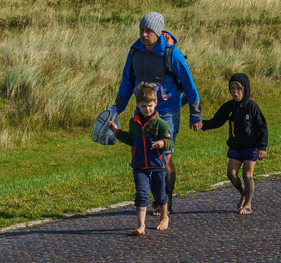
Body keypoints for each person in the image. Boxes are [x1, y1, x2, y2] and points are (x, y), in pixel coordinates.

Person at [111, 12, 202, 223]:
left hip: (167, 111)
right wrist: (117, 107)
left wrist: (195, 115)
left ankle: (165, 201)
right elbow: (127, 81)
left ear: (158, 32)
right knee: (143, 155)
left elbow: (189, 85)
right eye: (141, 30)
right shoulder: (134, 52)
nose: (143, 34)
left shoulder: (172, 54)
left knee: (164, 156)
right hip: (141, 111)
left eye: (148, 31)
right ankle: (156, 198)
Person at [198, 72, 269, 213]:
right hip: (236, 146)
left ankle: (248, 204)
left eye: (239, 89)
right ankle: (243, 192)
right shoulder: (229, 107)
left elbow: (263, 127)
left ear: (245, 89)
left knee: (247, 175)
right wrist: (203, 125)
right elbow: (217, 121)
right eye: (233, 89)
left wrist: (262, 147)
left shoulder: (252, 107)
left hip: (251, 147)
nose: (235, 93)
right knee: (231, 174)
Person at [107, 82, 172, 235]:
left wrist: (162, 142)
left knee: (159, 194)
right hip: (139, 166)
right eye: (143, 106)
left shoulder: (160, 124)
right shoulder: (133, 123)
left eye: (150, 105)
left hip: (157, 165)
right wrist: (116, 132)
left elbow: (170, 142)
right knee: (141, 194)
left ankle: (164, 216)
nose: (147, 109)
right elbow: (131, 139)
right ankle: (141, 225)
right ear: (137, 105)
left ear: (155, 103)